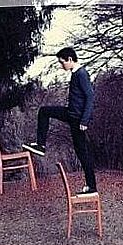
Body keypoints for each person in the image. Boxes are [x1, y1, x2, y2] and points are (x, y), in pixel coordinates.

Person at [22, 47, 97, 194]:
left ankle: (92, 187)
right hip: (71, 114)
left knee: (82, 152)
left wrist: (84, 121)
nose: (61, 65)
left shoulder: (81, 74)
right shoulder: (75, 74)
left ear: (70, 59)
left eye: (62, 62)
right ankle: (40, 145)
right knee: (44, 111)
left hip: (77, 119)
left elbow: (90, 97)